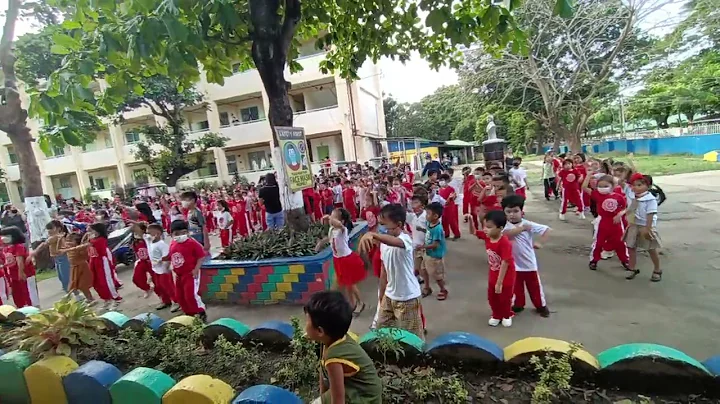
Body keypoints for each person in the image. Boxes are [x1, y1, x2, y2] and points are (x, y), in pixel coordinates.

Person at [359, 204, 424, 339]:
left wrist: (373, 235)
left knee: (411, 340)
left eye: (384, 224)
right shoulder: (384, 244)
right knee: (381, 332)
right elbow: (384, 271)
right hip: (389, 296)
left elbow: (396, 242)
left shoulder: (405, 238)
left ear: (399, 224)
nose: (381, 228)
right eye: (379, 224)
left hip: (407, 298)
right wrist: (382, 296)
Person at [305, 290, 382, 404]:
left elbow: (338, 400)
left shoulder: (333, 357)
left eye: (307, 320)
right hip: (353, 388)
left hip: (364, 397)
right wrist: (323, 397)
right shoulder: (334, 337)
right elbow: (324, 376)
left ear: (320, 331)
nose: (305, 324)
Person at [500, 195, 551, 317]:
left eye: (516, 211)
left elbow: (547, 230)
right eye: (508, 212)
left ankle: (541, 306)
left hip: (529, 263)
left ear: (522, 211)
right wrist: (521, 229)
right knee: (515, 287)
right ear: (504, 212)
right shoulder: (504, 225)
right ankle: (518, 305)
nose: (512, 214)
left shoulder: (528, 223)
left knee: (535, 287)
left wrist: (540, 242)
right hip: (513, 264)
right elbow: (505, 235)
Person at [466, 210, 516, 327]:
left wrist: (499, 282)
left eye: (489, 227)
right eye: (484, 226)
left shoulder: (504, 243)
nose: (485, 229)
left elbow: (505, 262)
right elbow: (473, 232)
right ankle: (496, 315)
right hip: (493, 272)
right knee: (492, 296)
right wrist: (471, 220)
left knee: (504, 297)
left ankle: (507, 314)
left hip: (506, 275)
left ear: (500, 228)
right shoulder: (487, 237)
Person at [316, 209, 366, 316]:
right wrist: (321, 243)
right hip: (337, 259)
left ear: (342, 221)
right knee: (345, 284)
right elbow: (329, 239)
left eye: (334, 217)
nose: (331, 219)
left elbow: (338, 225)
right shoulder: (332, 230)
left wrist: (330, 218)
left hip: (346, 259)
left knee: (351, 284)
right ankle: (352, 305)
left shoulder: (343, 230)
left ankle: (360, 303)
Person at [581, 173, 630, 273]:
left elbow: (626, 208)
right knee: (598, 243)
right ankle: (594, 260)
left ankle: (625, 260)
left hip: (616, 224)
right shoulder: (597, 195)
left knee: (620, 243)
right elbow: (584, 187)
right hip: (603, 222)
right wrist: (588, 175)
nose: (602, 188)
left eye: (605, 186)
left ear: (613, 186)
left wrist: (620, 214)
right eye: (600, 186)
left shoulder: (619, 197)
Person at [624, 173, 662, 282]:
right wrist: (621, 215)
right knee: (630, 246)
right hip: (634, 224)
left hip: (646, 225)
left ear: (648, 186)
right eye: (634, 185)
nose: (635, 187)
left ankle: (657, 269)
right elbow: (631, 208)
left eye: (639, 185)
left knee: (650, 248)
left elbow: (650, 214)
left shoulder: (650, 199)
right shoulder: (634, 196)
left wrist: (648, 228)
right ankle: (632, 268)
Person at [168, 220, 208, 321]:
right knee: (180, 296)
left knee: (190, 295)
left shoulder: (192, 243)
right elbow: (172, 256)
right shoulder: (173, 243)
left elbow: (201, 256)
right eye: (177, 234)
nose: (181, 235)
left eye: (183, 232)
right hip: (179, 275)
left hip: (190, 273)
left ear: (187, 232)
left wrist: (196, 269)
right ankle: (189, 314)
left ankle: (200, 312)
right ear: (171, 234)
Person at [0, 226, 38, 308]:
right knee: (18, 293)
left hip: (25, 274)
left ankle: (34, 307)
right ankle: (22, 307)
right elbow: (10, 261)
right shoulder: (7, 248)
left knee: (29, 292)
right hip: (14, 275)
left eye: (5, 236)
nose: (3, 238)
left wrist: (21, 272)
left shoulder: (18, 246)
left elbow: (19, 261)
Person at [147, 223, 177, 311]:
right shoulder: (151, 244)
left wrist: (165, 267)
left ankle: (175, 301)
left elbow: (167, 256)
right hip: (156, 269)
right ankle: (165, 301)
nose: (149, 235)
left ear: (158, 234)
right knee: (159, 286)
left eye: (150, 233)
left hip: (163, 269)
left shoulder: (162, 244)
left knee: (168, 286)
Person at [421, 202, 448, 301]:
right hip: (428, 253)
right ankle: (427, 287)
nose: (426, 216)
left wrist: (422, 247)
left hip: (434, 255)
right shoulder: (429, 223)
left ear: (436, 216)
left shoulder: (437, 229)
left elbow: (435, 245)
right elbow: (428, 232)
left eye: (428, 214)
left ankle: (443, 289)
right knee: (423, 270)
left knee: (436, 274)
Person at [63, 233, 95, 303]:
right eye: (67, 240)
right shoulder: (69, 248)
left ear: (76, 242)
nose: (68, 242)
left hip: (82, 268)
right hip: (74, 268)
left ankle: (91, 299)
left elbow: (85, 254)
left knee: (83, 285)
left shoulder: (80, 249)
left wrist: (84, 243)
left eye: (71, 241)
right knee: (75, 286)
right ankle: (87, 298)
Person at [131, 222, 154, 298]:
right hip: (142, 261)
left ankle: (164, 298)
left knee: (156, 281)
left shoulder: (147, 238)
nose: (136, 233)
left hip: (150, 261)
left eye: (137, 230)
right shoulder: (135, 242)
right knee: (136, 278)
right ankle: (147, 288)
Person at [437, 174, 460, 239]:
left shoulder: (451, 189)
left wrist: (449, 200)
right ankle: (446, 233)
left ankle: (456, 234)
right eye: (440, 180)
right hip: (443, 207)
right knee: (444, 221)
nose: (441, 182)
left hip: (450, 207)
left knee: (452, 221)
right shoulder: (440, 189)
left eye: (442, 180)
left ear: (447, 181)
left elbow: (453, 197)